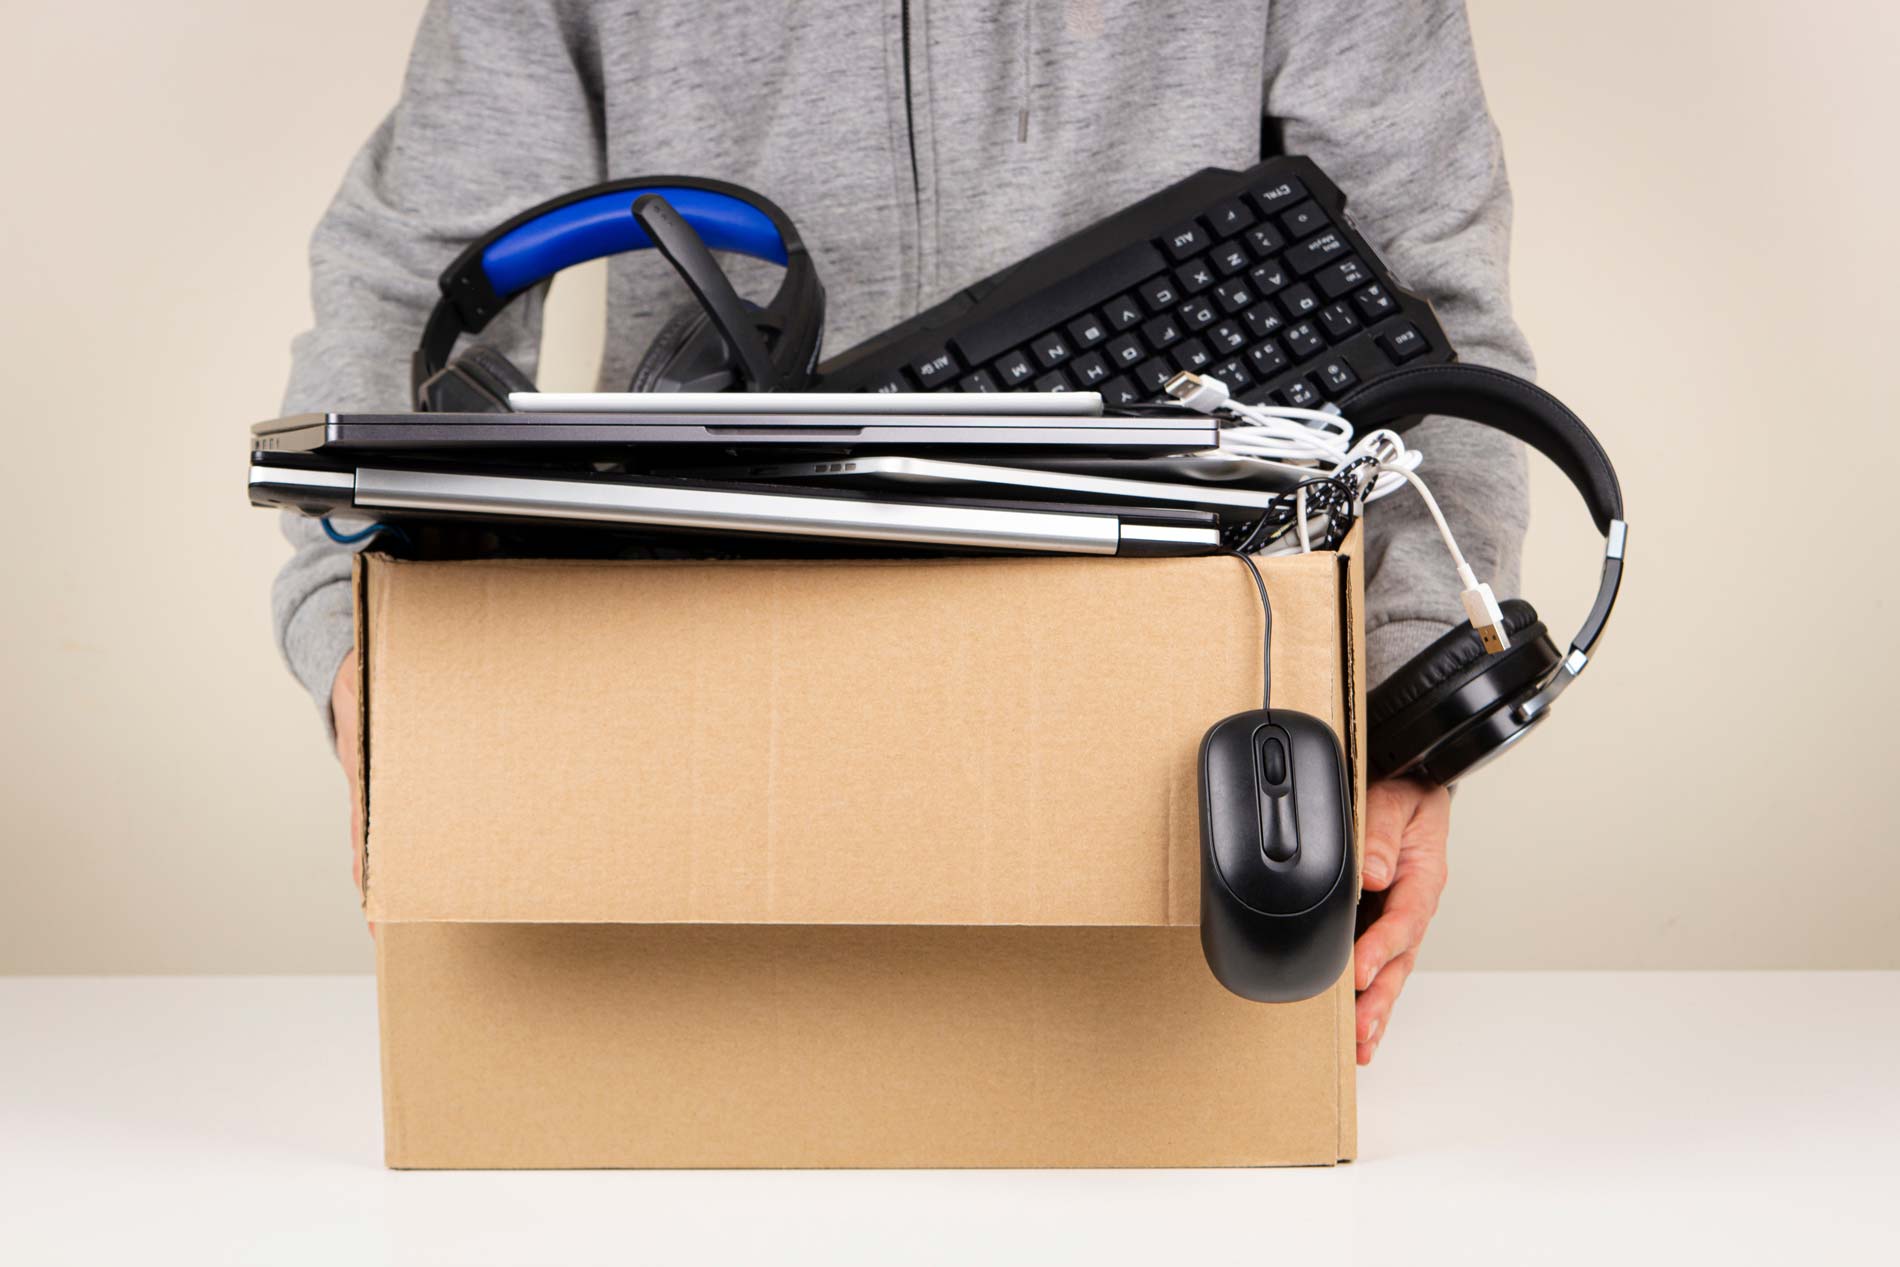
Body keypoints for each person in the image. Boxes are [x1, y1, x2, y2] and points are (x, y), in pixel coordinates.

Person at [274, 0, 1530, 1066]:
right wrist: (372, 649)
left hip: (1172, 660)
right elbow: (418, 275)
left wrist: (1410, 697)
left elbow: (1427, 287)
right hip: (696, 658)